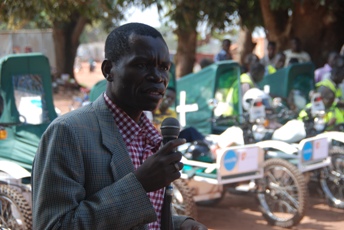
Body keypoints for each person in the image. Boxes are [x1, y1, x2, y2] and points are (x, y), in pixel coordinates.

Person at [32, 23, 207, 230]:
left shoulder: (149, 138)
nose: (158, 76)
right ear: (109, 70)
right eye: (142, 65)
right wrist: (139, 185)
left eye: (164, 67)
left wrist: (179, 224)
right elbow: (54, 226)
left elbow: (139, 218)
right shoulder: (68, 133)